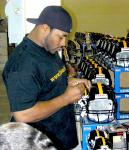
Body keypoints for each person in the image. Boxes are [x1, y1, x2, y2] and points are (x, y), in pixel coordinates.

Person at [2, 6, 91, 150]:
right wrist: (67, 98)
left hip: (62, 137)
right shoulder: (21, 64)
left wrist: (69, 82)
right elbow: (23, 115)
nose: (63, 43)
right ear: (44, 28)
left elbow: (48, 81)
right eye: (61, 36)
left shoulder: (47, 48)